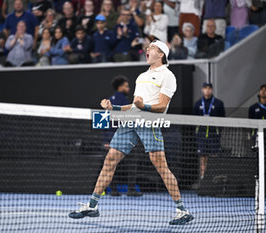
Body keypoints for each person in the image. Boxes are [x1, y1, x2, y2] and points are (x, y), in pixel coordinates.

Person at [69, 40, 194, 225]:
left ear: (161, 54)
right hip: (130, 121)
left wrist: (145, 106)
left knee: (161, 166)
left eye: (151, 48)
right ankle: (92, 205)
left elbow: (161, 106)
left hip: (149, 121)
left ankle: (182, 210)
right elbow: (134, 106)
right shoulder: (142, 75)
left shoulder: (167, 76)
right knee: (109, 160)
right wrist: (115, 107)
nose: (147, 50)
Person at [103, 76, 143, 197]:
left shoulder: (110, 100)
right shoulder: (123, 101)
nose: (128, 88)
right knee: (131, 164)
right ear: (120, 87)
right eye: (126, 86)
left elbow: (106, 121)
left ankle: (113, 189)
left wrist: (107, 140)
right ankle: (130, 189)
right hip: (123, 138)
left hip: (114, 138)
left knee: (113, 164)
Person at [193, 82, 225, 185]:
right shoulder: (198, 104)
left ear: (212, 90)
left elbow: (222, 119)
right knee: (203, 158)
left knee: (214, 157)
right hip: (202, 136)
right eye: (205, 88)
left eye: (209, 88)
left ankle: (214, 181)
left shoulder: (218, 103)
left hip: (213, 136)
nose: (207, 90)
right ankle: (203, 181)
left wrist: (218, 131)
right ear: (202, 90)